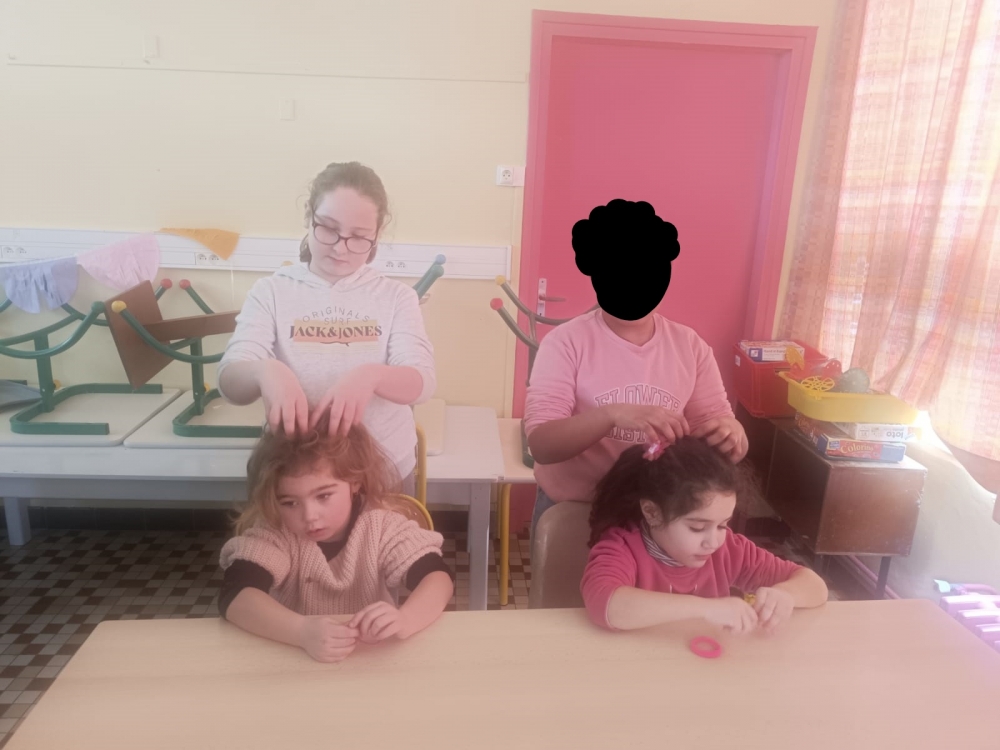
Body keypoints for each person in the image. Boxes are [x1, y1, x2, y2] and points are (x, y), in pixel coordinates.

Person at [524, 199, 748, 538]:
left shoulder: (689, 346)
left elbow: (716, 428)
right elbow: (542, 444)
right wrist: (612, 415)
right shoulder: (565, 343)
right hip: (575, 511)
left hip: (663, 514)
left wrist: (732, 435)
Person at [218, 161, 435, 494]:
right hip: (298, 481)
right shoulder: (272, 291)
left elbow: (422, 381)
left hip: (382, 473)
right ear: (309, 217)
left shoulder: (396, 296)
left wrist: (372, 376)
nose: (340, 247)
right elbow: (230, 382)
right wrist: (265, 371)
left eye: (359, 237)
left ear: (377, 234)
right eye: (329, 228)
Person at [217, 418, 454, 663]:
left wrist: (406, 619)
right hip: (293, 657)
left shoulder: (382, 526)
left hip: (369, 660)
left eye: (323, 496)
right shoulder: (276, 531)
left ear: (354, 481)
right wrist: (301, 632)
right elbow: (234, 594)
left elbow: (437, 577)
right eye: (290, 503)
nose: (309, 516)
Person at [581, 437, 827, 633]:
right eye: (697, 528)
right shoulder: (622, 546)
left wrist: (786, 595)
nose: (714, 541)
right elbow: (605, 604)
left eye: (723, 525)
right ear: (652, 512)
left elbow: (815, 585)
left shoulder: (728, 549)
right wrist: (706, 608)